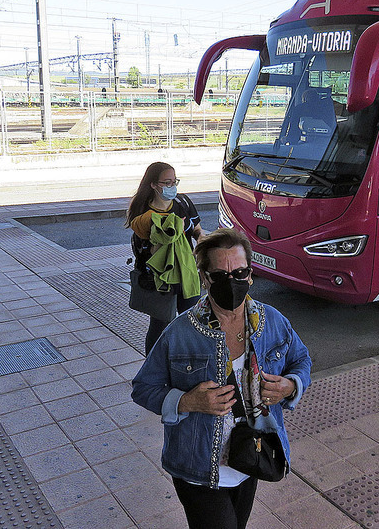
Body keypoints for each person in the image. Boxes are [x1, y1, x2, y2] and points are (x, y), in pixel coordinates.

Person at [131, 228, 312, 529]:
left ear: (251, 274)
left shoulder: (273, 322)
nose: (233, 282)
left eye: (240, 272)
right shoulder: (180, 332)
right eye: (220, 275)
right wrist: (186, 401)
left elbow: (301, 359)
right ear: (204, 278)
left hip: (249, 458)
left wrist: (291, 385)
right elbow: (143, 388)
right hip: (196, 467)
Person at [126, 161, 205, 354]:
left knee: (193, 321)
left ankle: (189, 363)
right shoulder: (145, 214)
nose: (172, 186)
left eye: (174, 181)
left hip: (187, 273)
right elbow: (150, 249)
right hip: (160, 277)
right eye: (167, 182)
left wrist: (201, 242)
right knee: (160, 325)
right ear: (153, 184)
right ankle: (152, 369)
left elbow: (197, 230)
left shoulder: (182, 203)